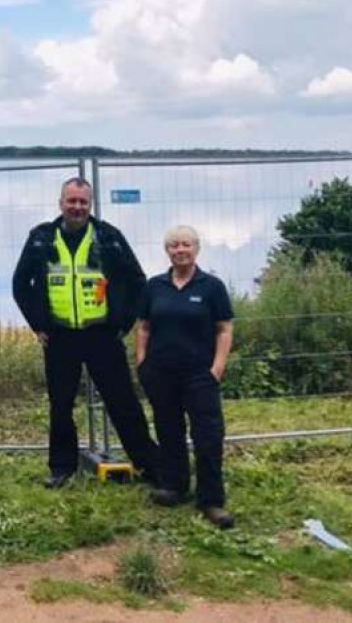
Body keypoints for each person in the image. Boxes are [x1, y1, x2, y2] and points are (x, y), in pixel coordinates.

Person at [12, 176, 157, 488]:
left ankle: (149, 465)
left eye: (83, 202)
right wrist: (38, 324)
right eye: (71, 201)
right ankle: (62, 469)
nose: (77, 207)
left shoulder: (108, 237)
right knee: (61, 406)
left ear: (90, 205)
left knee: (124, 403)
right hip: (59, 336)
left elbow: (137, 281)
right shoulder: (41, 238)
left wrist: (123, 323)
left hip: (103, 335)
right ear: (61, 203)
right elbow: (20, 284)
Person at [136, 225, 235, 529]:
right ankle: (174, 486)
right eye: (174, 245)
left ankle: (211, 500)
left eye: (186, 245)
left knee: (207, 434)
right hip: (161, 373)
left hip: (199, 375)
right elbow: (144, 327)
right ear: (167, 251)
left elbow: (224, 329)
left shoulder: (211, 287)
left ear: (197, 249)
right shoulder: (154, 286)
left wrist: (217, 368)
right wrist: (142, 362)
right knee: (168, 430)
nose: (180, 250)